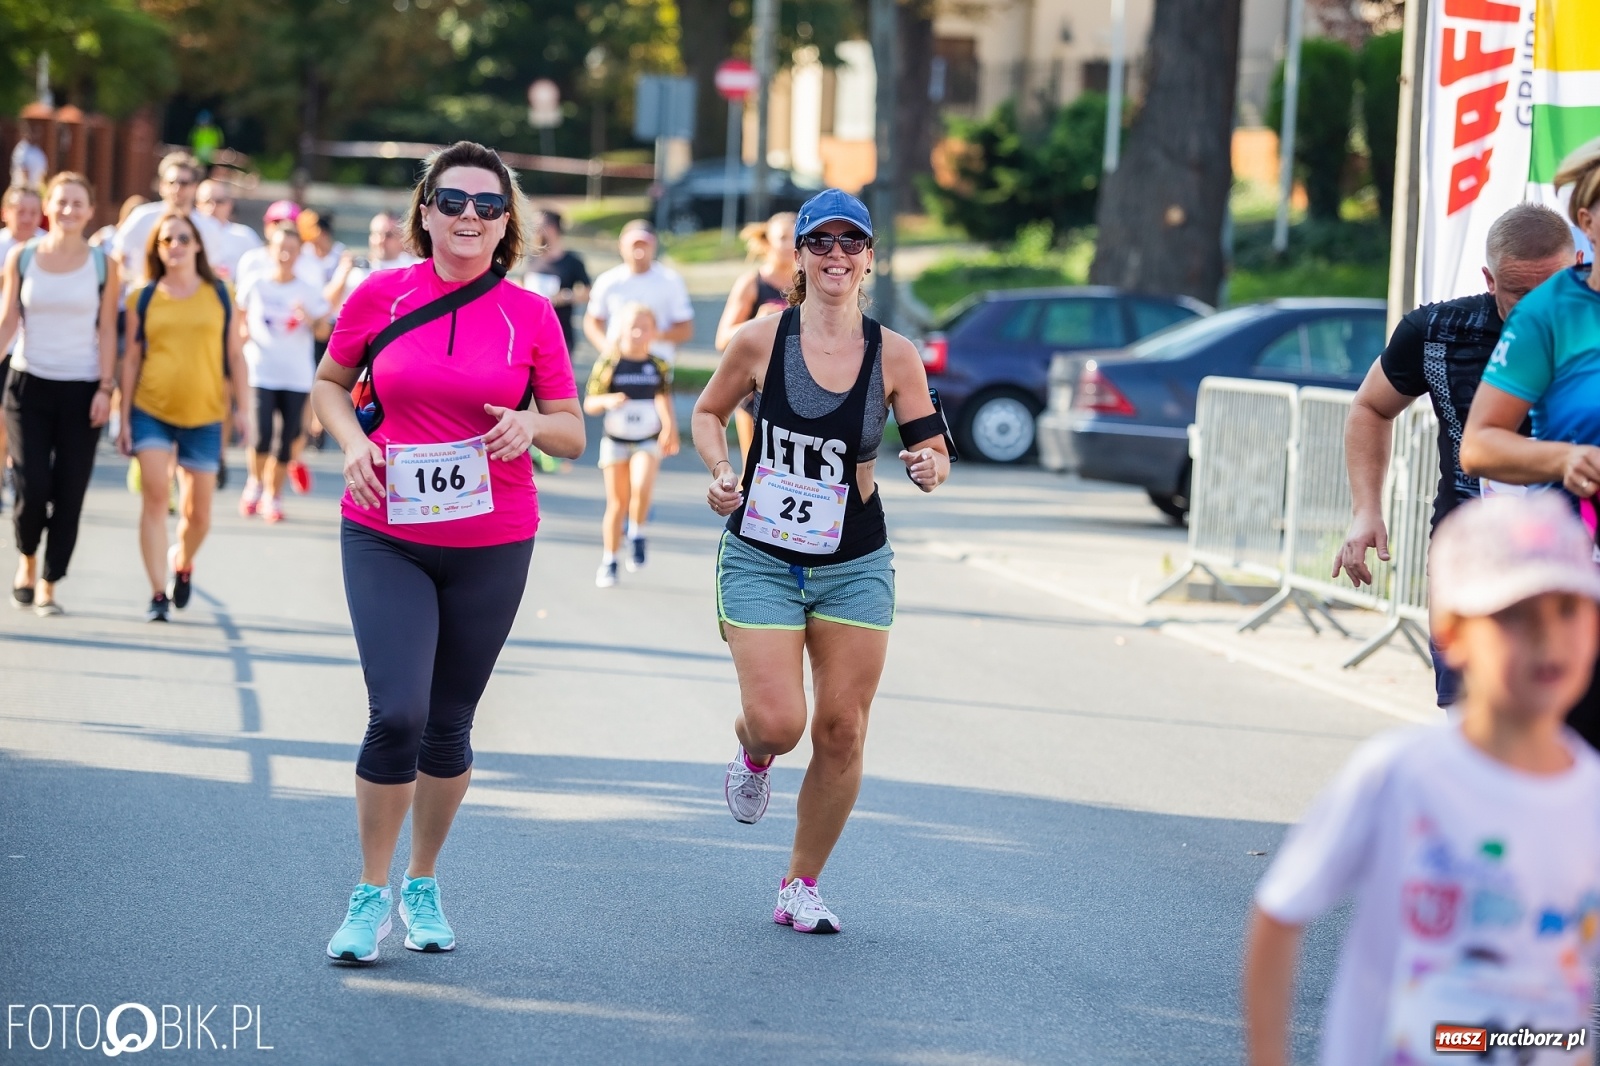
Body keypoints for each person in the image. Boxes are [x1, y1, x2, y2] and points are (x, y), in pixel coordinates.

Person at [311, 140, 583, 964]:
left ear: (509, 225)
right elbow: (329, 384)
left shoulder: (530, 314)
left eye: (489, 207)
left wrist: (533, 425)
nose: (471, 218)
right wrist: (351, 444)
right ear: (424, 212)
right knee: (397, 712)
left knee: (448, 724)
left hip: (493, 541)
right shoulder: (380, 294)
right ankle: (368, 894)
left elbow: (573, 432)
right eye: (454, 202)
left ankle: (421, 880)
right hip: (385, 530)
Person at [1244, 493, 1600, 1066]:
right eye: (1515, 614)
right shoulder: (1401, 775)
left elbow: (1561, 985)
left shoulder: (1589, 793)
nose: (1548, 640)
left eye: (1569, 609)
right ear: (1453, 632)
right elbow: (1281, 911)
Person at [691, 189, 951, 933]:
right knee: (779, 722)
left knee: (842, 728)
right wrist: (719, 468)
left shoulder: (893, 354)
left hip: (854, 561)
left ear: (869, 257)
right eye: (822, 242)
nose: (837, 254)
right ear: (799, 256)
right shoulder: (760, 340)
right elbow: (707, 413)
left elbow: (930, 441)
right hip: (762, 556)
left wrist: (930, 465)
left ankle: (800, 883)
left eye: (852, 242)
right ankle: (753, 753)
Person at [1334, 203, 1574, 707]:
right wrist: (1366, 510)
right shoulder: (1439, 332)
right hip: (1471, 550)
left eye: (1551, 289)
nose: (1537, 308)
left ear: (1576, 264)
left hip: (1576, 549)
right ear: (1489, 279)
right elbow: (1370, 408)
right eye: (1518, 293)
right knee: (1470, 717)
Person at [1461, 138, 1600, 750]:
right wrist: (1565, 458)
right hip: (1582, 579)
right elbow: (1481, 445)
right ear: (1588, 220)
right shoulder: (1550, 313)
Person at [117, 211, 248, 623]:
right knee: (156, 494)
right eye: (166, 240)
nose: (175, 246)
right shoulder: (144, 295)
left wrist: (246, 411)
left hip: (206, 414)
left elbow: (234, 355)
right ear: (156, 248)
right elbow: (132, 357)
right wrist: (122, 418)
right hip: (150, 408)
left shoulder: (221, 293)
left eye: (182, 239)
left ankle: (183, 561)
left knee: (198, 515)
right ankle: (157, 593)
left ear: (197, 246)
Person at [0, 173, 119, 614]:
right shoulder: (22, 256)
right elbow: (9, 320)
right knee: (32, 486)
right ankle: (27, 560)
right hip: (28, 383)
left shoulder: (104, 265)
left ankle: (50, 581)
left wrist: (106, 388)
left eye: (77, 203)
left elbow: (107, 330)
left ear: (90, 211)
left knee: (69, 492)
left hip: (82, 389)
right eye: (61, 202)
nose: (69, 210)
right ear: (49, 207)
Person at [237, 222, 329, 522]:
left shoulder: (308, 290)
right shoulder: (256, 283)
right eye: (280, 249)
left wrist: (310, 319)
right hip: (261, 371)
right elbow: (238, 316)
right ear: (270, 250)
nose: (285, 256)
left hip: (296, 376)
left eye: (292, 250)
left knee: (286, 440)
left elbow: (323, 332)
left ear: (300, 253)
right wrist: (239, 339)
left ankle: (272, 496)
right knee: (261, 436)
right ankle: (255, 482)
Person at [584, 302, 677, 586]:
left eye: (644, 327)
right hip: (615, 441)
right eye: (632, 327)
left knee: (641, 486)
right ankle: (609, 560)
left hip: (646, 439)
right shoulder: (609, 363)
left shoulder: (657, 364)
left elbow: (663, 397)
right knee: (617, 503)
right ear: (621, 330)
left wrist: (670, 428)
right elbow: (589, 403)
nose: (638, 333)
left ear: (653, 332)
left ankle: (637, 532)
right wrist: (608, 400)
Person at [715, 212, 796, 471]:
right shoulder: (752, 283)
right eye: (782, 237)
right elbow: (723, 338)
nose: (789, 244)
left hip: (797, 388)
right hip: (754, 390)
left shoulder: (809, 286)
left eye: (795, 237)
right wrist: (757, 322)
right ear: (768, 242)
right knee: (754, 470)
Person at [112, 152, 226, 292]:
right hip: (144, 302)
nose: (177, 188)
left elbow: (211, 271)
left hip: (190, 303)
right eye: (172, 182)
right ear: (162, 185)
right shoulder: (142, 217)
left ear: (195, 187)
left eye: (184, 183)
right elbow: (118, 258)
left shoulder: (209, 227)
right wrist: (131, 285)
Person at [583, 219, 693, 363]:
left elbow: (685, 329)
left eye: (644, 245)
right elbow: (592, 321)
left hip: (657, 364)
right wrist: (607, 349)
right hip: (617, 363)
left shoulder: (671, 281)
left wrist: (650, 335)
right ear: (621, 246)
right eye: (634, 245)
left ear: (654, 246)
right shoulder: (607, 281)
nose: (639, 251)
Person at [0, 185, 44, 506]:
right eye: (20, 211)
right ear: (6, 212)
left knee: (19, 421)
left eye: (33, 211)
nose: (27, 218)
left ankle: (17, 471)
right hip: (3, 347)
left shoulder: (49, 247)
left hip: (35, 353)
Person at [324, 212, 419, 318]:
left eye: (388, 235)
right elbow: (326, 306)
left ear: (402, 239)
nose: (381, 240)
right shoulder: (356, 269)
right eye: (376, 234)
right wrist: (342, 274)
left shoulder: (414, 268)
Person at [521, 209, 589, 353]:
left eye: (539, 227)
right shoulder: (532, 257)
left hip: (559, 332)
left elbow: (588, 291)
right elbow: (521, 281)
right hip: (530, 331)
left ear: (553, 229)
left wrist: (565, 297)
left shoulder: (572, 261)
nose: (536, 232)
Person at [196, 179, 263, 284]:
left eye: (219, 201)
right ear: (197, 204)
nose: (213, 207)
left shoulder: (245, 236)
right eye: (207, 201)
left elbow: (260, 271)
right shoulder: (189, 236)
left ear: (229, 204)